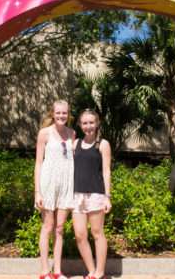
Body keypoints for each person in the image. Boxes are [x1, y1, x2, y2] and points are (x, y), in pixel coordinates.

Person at [34, 100, 76, 279]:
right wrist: (38, 191)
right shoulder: (44, 133)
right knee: (48, 226)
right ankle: (44, 270)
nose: (61, 116)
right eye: (58, 113)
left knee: (59, 228)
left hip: (66, 185)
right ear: (53, 114)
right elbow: (38, 163)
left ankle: (57, 271)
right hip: (48, 184)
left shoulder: (72, 133)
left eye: (64, 113)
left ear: (68, 114)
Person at [72, 110, 112, 279]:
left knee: (97, 232)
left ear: (97, 124)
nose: (88, 126)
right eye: (85, 123)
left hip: (96, 194)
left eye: (91, 123)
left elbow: (106, 171)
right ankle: (91, 270)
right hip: (77, 196)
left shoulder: (102, 144)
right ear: (80, 125)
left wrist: (107, 197)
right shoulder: (75, 144)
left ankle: (100, 272)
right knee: (80, 235)